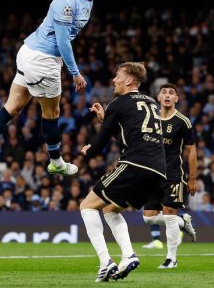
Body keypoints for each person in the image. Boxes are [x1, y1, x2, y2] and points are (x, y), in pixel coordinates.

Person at [0, 0, 109, 182]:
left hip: (30, 53)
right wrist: (75, 72)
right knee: (51, 113)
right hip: (43, 60)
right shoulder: (68, 1)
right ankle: (55, 163)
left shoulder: (87, 1)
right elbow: (63, 42)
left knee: (12, 107)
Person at [79, 62, 166, 282]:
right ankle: (127, 256)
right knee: (109, 208)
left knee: (87, 206)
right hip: (158, 170)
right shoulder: (151, 103)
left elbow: (99, 146)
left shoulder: (119, 103)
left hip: (135, 164)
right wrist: (107, 118)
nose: (114, 80)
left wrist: (89, 150)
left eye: (118, 75)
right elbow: (132, 135)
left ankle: (105, 262)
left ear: (129, 80)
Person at [141, 84, 197, 269]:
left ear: (176, 99)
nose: (167, 95)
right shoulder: (149, 119)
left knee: (169, 214)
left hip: (172, 174)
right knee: (148, 217)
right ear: (158, 97)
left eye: (171, 93)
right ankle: (182, 221)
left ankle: (171, 258)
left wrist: (192, 178)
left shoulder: (183, 122)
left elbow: (191, 151)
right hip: (151, 174)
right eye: (164, 92)